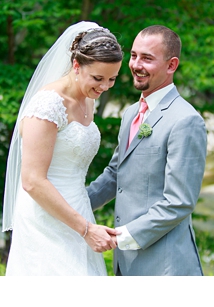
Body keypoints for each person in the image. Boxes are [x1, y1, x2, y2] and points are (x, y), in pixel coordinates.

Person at [3, 22, 123, 275]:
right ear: (77, 66)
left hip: (78, 206)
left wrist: (85, 224)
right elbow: (33, 181)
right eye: (98, 78)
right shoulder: (48, 104)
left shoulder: (87, 99)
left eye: (112, 79)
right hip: (45, 214)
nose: (104, 87)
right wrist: (86, 229)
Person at [87, 25, 207, 275]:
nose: (136, 65)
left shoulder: (185, 120)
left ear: (172, 65)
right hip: (126, 264)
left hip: (164, 266)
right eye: (133, 55)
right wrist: (73, 207)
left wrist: (121, 238)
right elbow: (114, 175)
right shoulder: (131, 112)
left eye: (147, 58)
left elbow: (179, 202)